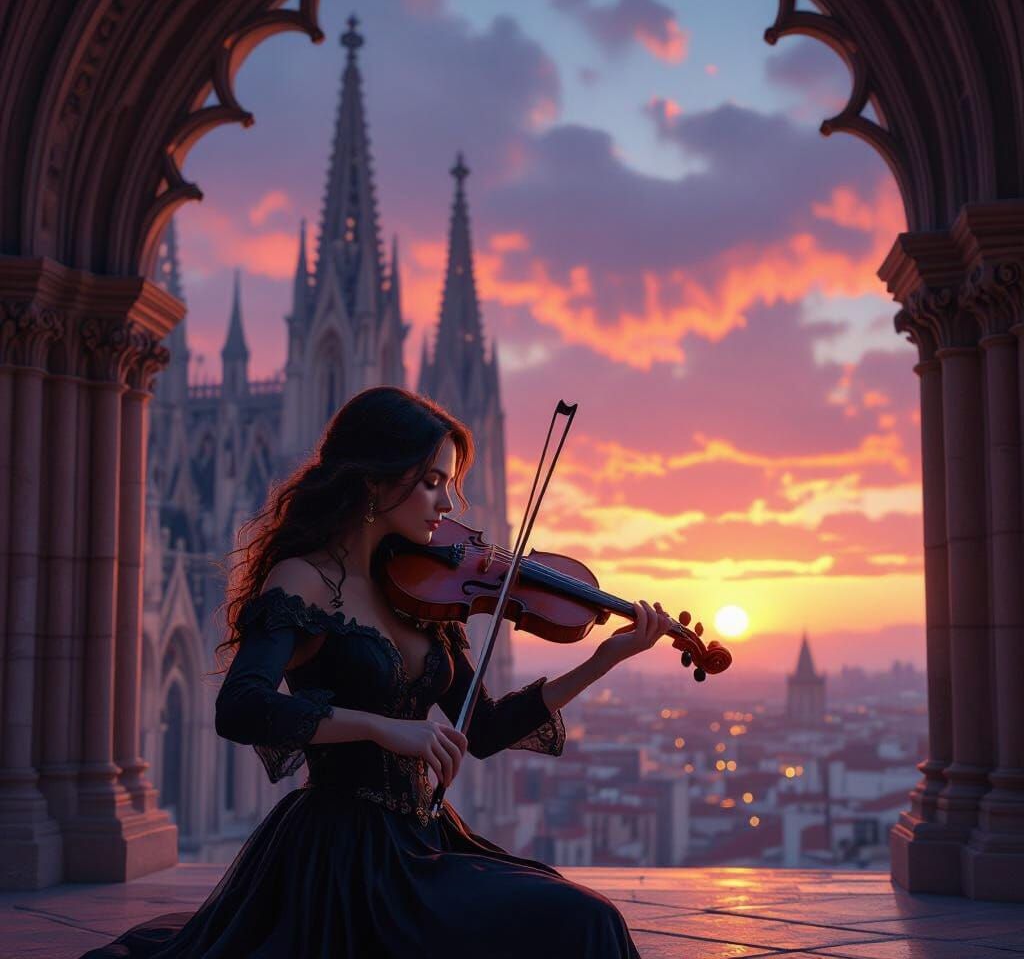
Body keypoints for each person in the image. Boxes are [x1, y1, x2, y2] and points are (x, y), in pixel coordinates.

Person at [82, 386, 673, 958]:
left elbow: (487, 728)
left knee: (581, 917)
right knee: (583, 922)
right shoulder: (303, 580)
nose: (449, 505)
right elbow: (241, 707)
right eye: (433, 482)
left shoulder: (421, 591)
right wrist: (379, 726)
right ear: (374, 481)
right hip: (346, 855)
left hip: (425, 841)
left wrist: (602, 659)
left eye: (450, 484)